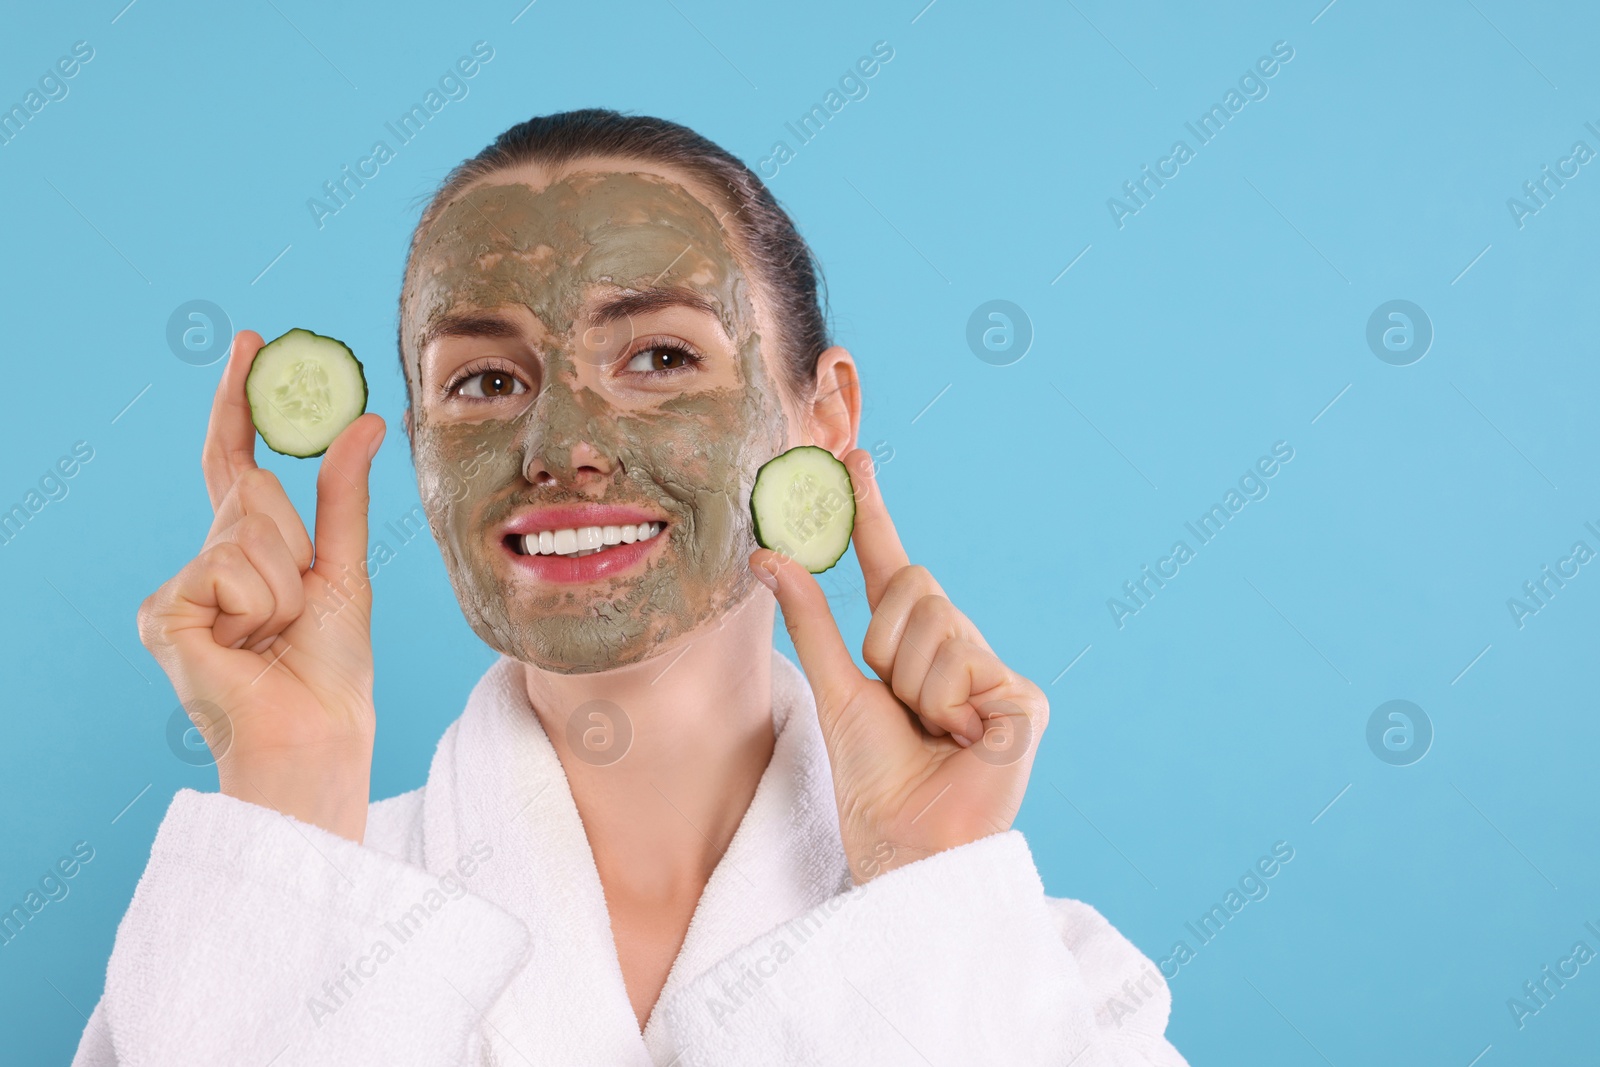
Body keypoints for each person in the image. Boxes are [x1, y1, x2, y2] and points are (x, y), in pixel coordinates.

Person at [73, 110, 1188, 1065]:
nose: (561, 445)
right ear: (417, 443)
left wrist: (924, 892)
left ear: (825, 414)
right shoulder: (232, 934)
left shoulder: (1058, 988)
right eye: (486, 379)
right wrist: (288, 798)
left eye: (659, 358)